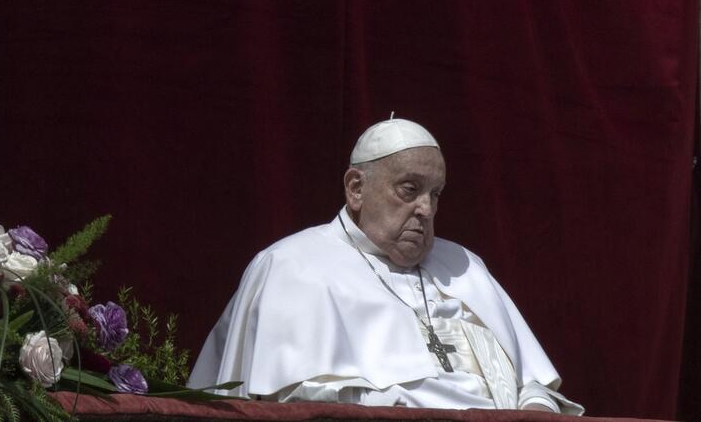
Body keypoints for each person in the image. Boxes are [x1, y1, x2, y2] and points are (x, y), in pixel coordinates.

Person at [188, 118, 583, 414]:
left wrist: (537, 410)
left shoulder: (466, 267)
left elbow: (535, 385)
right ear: (356, 188)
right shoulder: (291, 267)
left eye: (435, 194)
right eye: (409, 189)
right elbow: (296, 403)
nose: (426, 209)